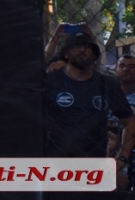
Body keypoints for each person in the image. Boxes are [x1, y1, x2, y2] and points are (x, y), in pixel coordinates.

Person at [45, 31, 135, 160]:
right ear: (66, 54)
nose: (83, 49)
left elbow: (129, 121)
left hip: (94, 165)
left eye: (88, 47)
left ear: (94, 54)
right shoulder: (50, 81)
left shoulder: (107, 83)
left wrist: (122, 158)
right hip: (56, 165)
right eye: (77, 45)